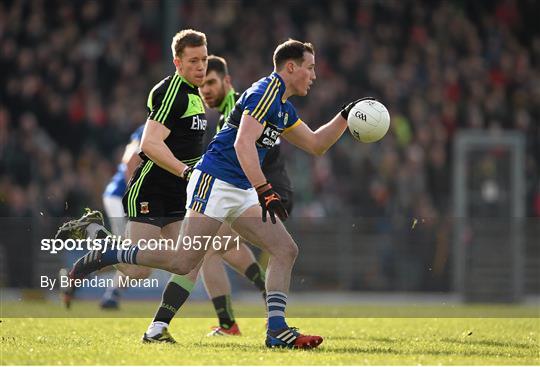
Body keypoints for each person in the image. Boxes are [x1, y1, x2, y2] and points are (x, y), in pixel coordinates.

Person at [70, 39, 370, 349]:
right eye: (310, 67)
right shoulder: (265, 92)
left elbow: (316, 144)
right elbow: (242, 145)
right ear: (291, 67)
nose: (314, 75)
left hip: (239, 188)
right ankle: (111, 253)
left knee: (285, 249)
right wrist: (265, 190)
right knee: (183, 262)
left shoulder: (282, 106)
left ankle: (277, 330)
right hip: (214, 182)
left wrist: (346, 115)